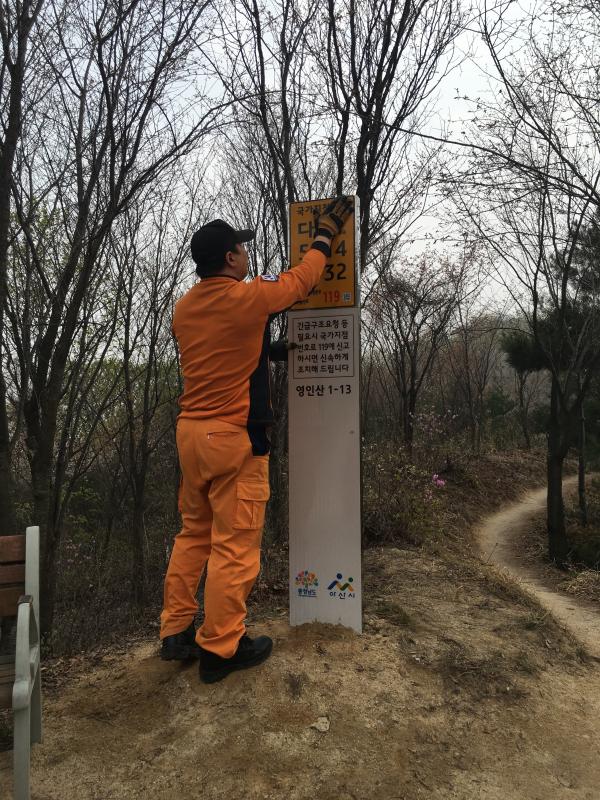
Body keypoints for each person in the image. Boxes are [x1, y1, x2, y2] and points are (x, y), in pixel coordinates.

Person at [159, 197, 354, 683]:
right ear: (230, 258)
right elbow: (301, 280)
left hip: (191, 437)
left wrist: (267, 351)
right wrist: (324, 236)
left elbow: (220, 350)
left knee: (193, 534)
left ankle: (176, 631)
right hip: (232, 440)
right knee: (234, 545)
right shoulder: (246, 297)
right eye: (241, 250)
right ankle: (221, 648)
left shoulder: (184, 308)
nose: (247, 255)